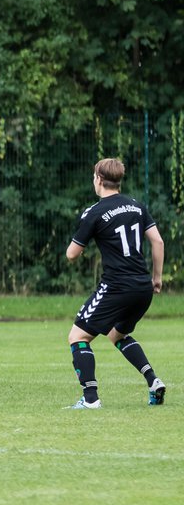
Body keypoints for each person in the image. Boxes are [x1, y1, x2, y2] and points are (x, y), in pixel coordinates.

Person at [64, 158, 167, 409]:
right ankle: (153, 381)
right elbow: (158, 242)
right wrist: (157, 278)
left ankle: (90, 399)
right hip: (142, 287)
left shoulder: (94, 212)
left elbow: (71, 254)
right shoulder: (137, 206)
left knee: (77, 336)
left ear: (99, 179)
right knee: (116, 334)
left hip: (117, 286)